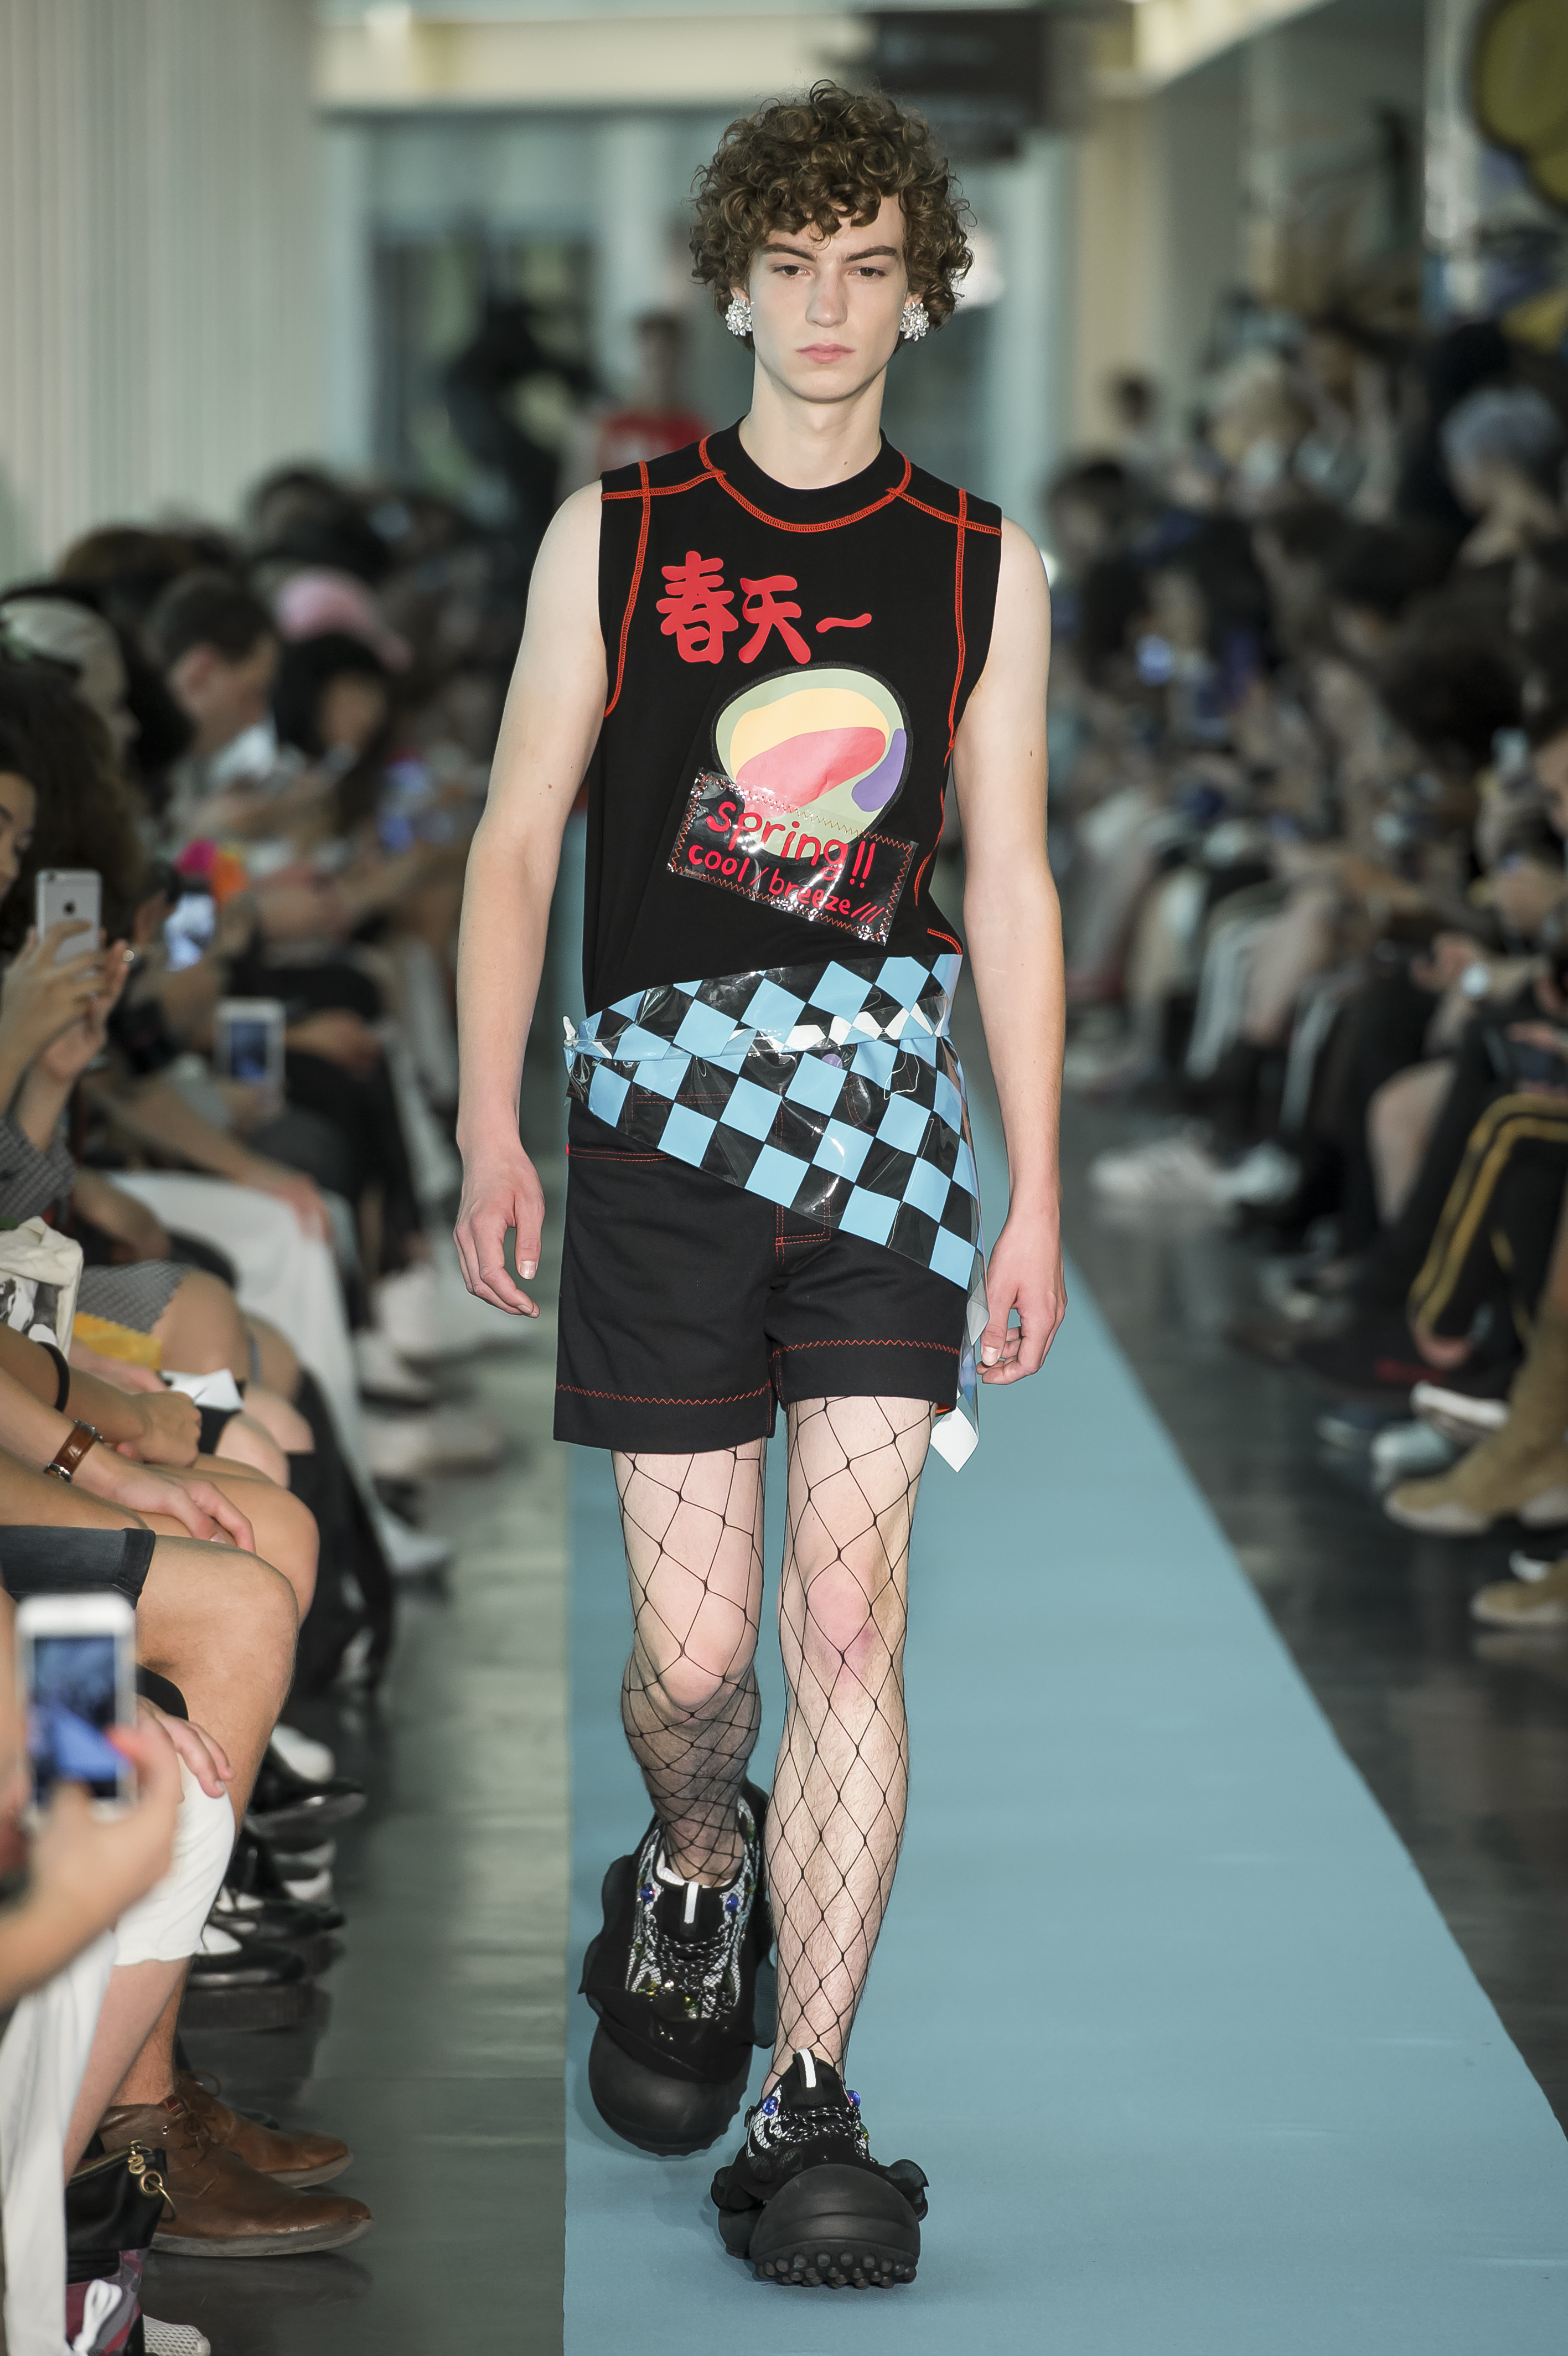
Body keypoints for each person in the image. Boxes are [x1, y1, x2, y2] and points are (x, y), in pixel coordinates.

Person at [454, 80, 1064, 2288]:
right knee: (698, 1662)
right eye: (789, 266)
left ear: (920, 291)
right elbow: (518, 834)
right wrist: (488, 1116)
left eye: (866, 269)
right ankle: (694, 1862)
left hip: (884, 1132)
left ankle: (810, 2094)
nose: (824, 308)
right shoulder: (617, 533)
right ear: (734, 284)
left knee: (845, 1619)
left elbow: (1012, 877)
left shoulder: (981, 562)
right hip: (659, 1136)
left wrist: (1037, 1186)